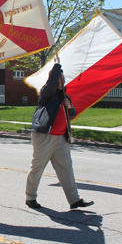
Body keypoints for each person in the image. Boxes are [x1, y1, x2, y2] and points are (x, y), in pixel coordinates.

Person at [25, 58, 94, 210]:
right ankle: (30, 197)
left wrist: (69, 107)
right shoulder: (47, 93)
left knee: (66, 168)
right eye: (59, 78)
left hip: (61, 138)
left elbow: (73, 114)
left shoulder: (65, 96)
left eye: (63, 79)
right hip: (45, 137)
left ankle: (74, 200)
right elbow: (51, 83)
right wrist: (57, 67)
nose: (62, 81)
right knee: (38, 166)